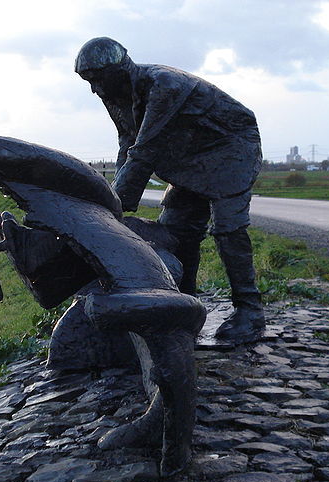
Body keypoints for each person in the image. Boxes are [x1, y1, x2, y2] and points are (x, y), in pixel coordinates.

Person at [75, 37, 266, 343]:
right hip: (191, 158)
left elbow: (146, 150)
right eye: (88, 82)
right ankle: (185, 306)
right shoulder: (115, 94)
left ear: (118, 69)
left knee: (229, 229)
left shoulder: (165, 85)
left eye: (96, 80)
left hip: (231, 149)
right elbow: (128, 143)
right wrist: (109, 198)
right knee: (176, 230)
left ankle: (250, 311)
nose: (94, 90)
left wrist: (114, 208)